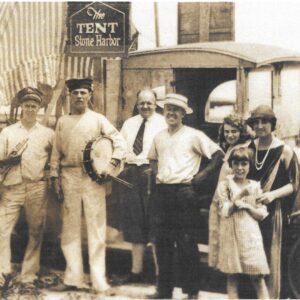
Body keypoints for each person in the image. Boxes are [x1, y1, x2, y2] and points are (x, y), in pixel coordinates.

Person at [50, 78, 126, 294]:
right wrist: (54, 178)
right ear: (70, 96)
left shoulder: (98, 119)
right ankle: (73, 278)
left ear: (90, 95)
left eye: (83, 93)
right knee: (69, 229)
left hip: (93, 179)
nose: (80, 97)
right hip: (69, 176)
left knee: (96, 228)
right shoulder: (63, 121)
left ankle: (99, 282)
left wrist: (110, 164)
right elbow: (56, 152)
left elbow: (119, 142)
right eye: (76, 93)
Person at [148, 93, 224, 299]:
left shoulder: (194, 135)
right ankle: (164, 291)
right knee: (162, 244)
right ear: (164, 112)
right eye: (168, 109)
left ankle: (191, 292)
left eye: (176, 109)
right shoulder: (159, 136)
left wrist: (200, 178)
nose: (171, 113)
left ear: (183, 114)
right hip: (163, 193)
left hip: (184, 194)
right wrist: (158, 175)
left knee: (186, 244)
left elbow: (218, 156)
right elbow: (153, 159)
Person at [0, 87, 54, 292]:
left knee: (36, 230)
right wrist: (7, 161)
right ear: (21, 107)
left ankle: (28, 275)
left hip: (36, 187)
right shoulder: (8, 132)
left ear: (39, 108)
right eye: (27, 105)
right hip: (11, 187)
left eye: (34, 106)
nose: (30, 109)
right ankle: (2, 273)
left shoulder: (48, 134)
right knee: (2, 230)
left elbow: (55, 160)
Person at [246, 105, 299, 299]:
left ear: (272, 124)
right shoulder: (247, 148)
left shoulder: (285, 151)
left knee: (271, 258)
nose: (259, 126)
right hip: (250, 212)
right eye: (256, 122)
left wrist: (272, 195)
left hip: (274, 213)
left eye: (264, 121)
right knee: (250, 258)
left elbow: (294, 185)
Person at [117, 88, 167, 283]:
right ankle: (136, 272)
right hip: (131, 175)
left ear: (156, 104)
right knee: (135, 224)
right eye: (142, 103)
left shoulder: (163, 123)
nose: (145, 106)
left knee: (155, 224)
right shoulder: (129, 124)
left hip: (153, 174)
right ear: (137, 104)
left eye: (149, 103)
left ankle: (160, 275)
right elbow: (120, 149)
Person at [212, 147, 270, 299]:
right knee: (232, 276)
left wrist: (249, 207)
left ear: (249, 165)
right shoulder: (224, 186)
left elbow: (261, 214)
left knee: (258, 276)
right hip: (230, 236)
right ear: (231, 165)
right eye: (236, 164)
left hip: (250, 237)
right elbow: (225, 211)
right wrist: (240, 196)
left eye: (244, 164)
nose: (240, 168)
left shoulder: (255, 186)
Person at [209, 113, 251, 268]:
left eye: (234, 131)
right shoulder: (231, 148)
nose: (230, 135)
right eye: (226, 131)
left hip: (231, 199)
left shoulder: (242, 149)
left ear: (241, 131)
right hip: (221, 197)